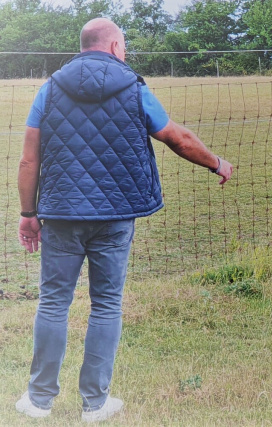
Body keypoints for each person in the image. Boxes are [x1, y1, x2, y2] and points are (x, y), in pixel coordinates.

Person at [16, 17, 233, 422]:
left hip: (60, 214)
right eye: (125, 47)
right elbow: (177, 138)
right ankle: (95, 404)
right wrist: (216, 162)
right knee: (106, 304)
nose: (126, 53)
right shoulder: (135, 87)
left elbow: (30, 158)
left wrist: (28, 214)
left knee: (53, 303)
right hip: (115, 217)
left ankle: (38, 401)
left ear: (83, 46)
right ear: (115, 46)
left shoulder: (49, 88)